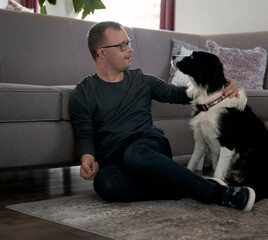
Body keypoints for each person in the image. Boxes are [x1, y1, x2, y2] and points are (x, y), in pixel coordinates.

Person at [69, 21, 256, 211]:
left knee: (134, 155)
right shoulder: (83, 93)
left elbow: (183, 94)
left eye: (129, 42)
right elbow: (84, 132)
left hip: (147, 149)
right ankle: (185, 186)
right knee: (105, 185)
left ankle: (220, 193)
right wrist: (87, 159)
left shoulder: (142, 80)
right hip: (114, 160)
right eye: (122, 45)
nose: (130, 49)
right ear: (101, 53)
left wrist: (223, 86)